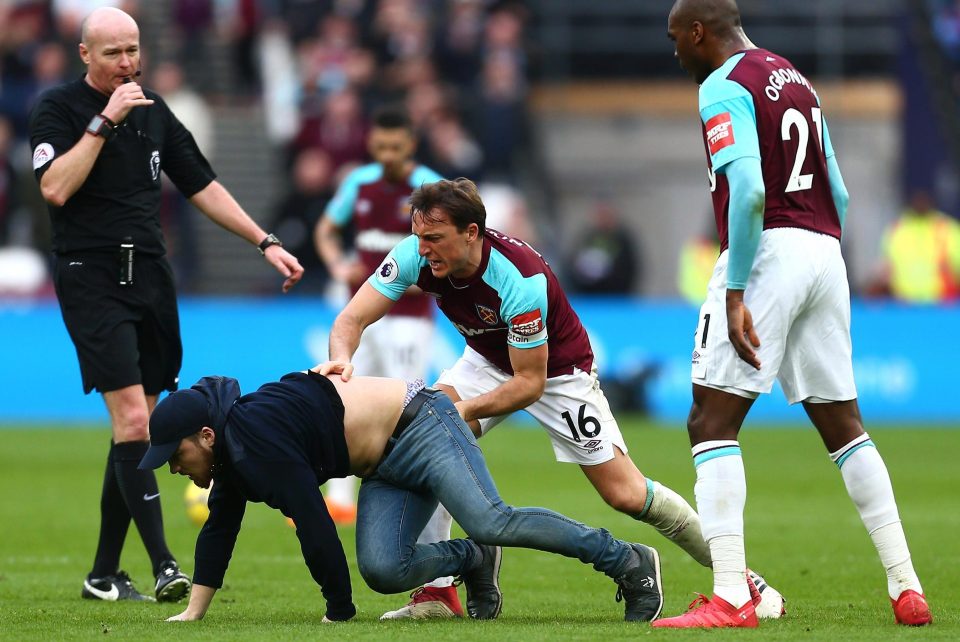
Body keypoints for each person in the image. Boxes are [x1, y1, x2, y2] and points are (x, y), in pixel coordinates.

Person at [316, 177, 784, 620]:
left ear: (472, 232)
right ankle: (439, 591)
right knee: (427, 438)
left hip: (558, 374)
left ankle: (741, 579)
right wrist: (341, 360)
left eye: (434, 237)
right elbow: (350, 321)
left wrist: (463, 411)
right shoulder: (417, 254)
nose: (423, 248)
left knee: (625, 493)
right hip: (483, 361)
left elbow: (528, 385)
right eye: (419, 236)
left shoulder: (519, 279)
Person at [656, 0, 931, 628]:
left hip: (769, 251)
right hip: (824, 249)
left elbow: (749, 191)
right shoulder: (794, 77)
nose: (675, 52)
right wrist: (821, 255)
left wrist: (736, 291)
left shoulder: (723, 86)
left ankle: (730, 598)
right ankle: (906, 587)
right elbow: (839, 189)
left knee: (710, 421)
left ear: (699, 32)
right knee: (844, 425)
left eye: (676, 39)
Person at [28, 7, 303, 603]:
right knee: (133, 421)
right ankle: (165, 567)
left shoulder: (153, 109)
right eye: (112, 54)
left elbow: (201, 183)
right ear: (85, 55)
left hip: (150, 275)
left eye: (133, 50)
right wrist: (103, 121)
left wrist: (265, 242)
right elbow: (54, 188)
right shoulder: (59, 109)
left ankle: (102, 575)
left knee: (137, 429)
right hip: (91, 275)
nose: (127, 63)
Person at [138, 369, 666, 623]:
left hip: (423, 424)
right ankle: (473, 559)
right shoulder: (232, 449)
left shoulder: (253, 439)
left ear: (206, 436)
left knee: (490, 518)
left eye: (174, 456)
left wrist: (338, 612)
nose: (175, 468)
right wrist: (194, 615)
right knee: (384, 570)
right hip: (383, 463)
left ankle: (626, 560)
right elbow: (219, 528)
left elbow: (314, 522)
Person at [313, 106, 442, 530]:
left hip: (408, 316)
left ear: (411, 145)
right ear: (371, 143)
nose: (387, 153)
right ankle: (337, 499)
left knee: (404, 408)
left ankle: (411, 496)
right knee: (341, 397)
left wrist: (417, 283)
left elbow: (444, 257)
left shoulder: (429, 188)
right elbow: (326, 229)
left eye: (396, 146)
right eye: (381, 145)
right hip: (362, 314)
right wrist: (336, 265)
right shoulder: (358, 182)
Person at [868, 190, 960, 302]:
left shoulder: (948, 228)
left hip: (943, 309)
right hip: (904, 308)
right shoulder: (897, 229)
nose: (920, 200)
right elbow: (884, 271)